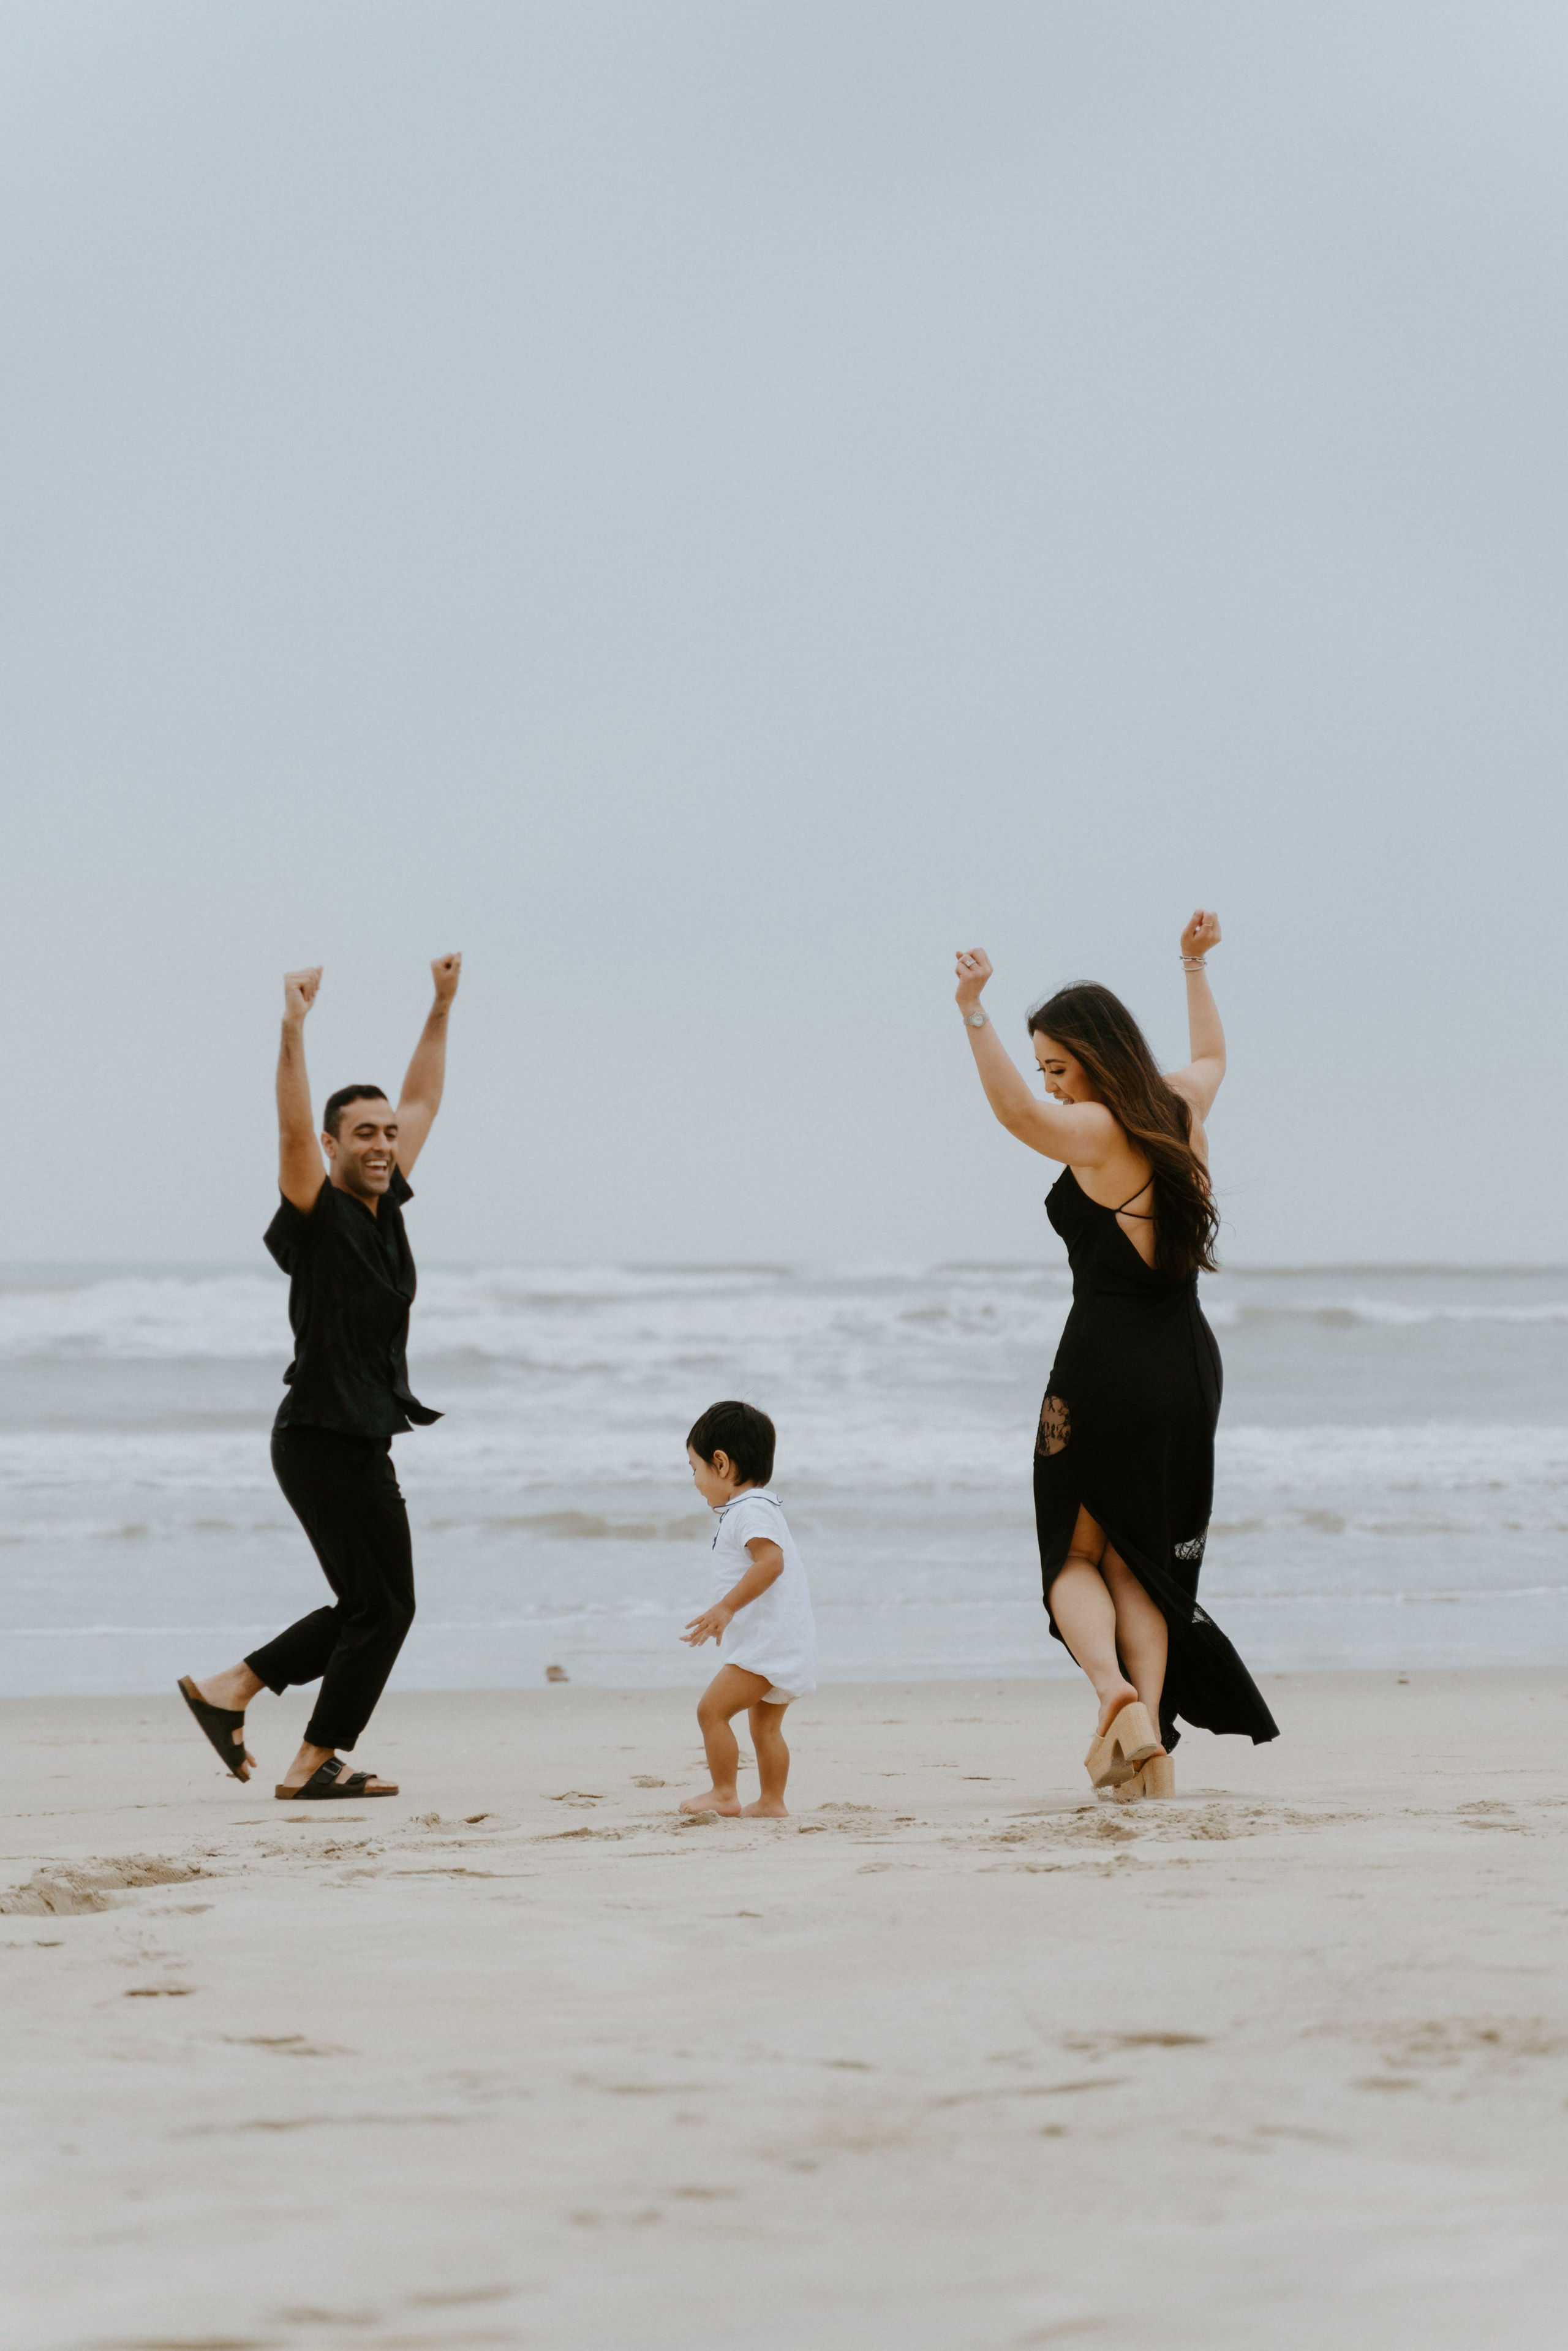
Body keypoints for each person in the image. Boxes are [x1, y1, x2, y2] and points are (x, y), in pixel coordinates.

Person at [953, 913, 1277, 1798]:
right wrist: (1193, 964)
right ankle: (1153, 1759)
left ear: (1094, 1059)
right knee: (1145, 1559)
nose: (1052, 1086)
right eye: (1047, 1069)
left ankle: (1115, 1695)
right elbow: (1213, 1056)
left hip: (1103, 1368)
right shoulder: (1178, 1105)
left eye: (1059, 1066)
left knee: (1075, 1556)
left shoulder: (1097, 1132)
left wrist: (972, 1012)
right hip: (1187, 1370)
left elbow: (1014, 1112)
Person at [177, 954, 461, 1800]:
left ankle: (232, 1689)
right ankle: (311, 1758)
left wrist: (441, 1006)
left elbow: (424, 1102)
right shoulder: (318, 1208)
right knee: (385, 1606)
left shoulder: (386, 1209)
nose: (382, 1143)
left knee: (368, 1605)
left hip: (349, 1435)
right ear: (335, 1146)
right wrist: (293, 1029)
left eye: (387, 1135)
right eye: (363, 1133)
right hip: (321, 1435)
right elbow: (292, 1134)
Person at [679, 1400, 817, 1819]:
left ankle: (724, 1793)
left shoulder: (750, 1510)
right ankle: (772, 1802)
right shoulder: (761, 1507)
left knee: (712, 1711)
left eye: (695, 1469)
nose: (696, 1481)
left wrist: (726, 1607)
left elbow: (771, 1563)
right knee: (766, 1726)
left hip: (766, 1645)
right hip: (785, 1639)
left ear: (720, 1463)